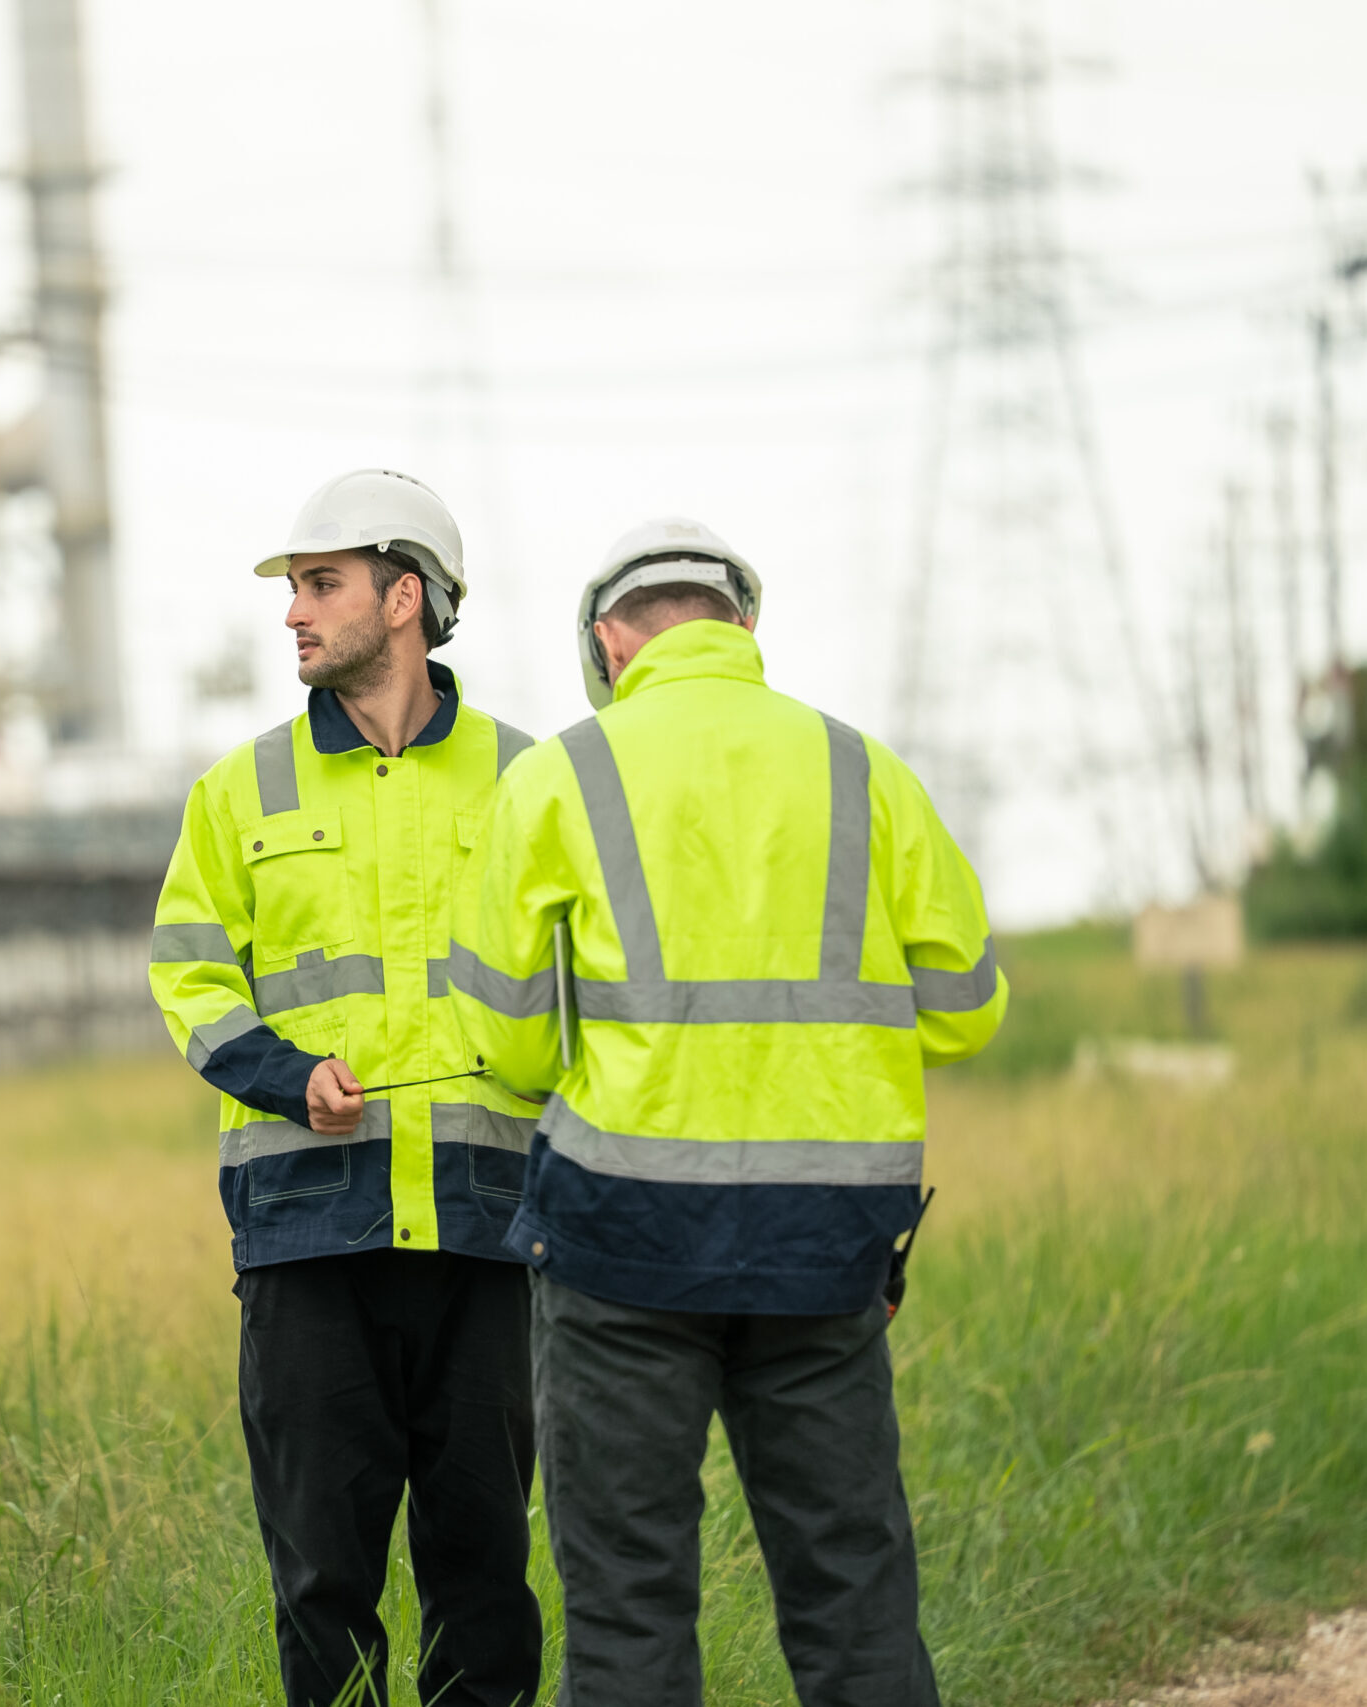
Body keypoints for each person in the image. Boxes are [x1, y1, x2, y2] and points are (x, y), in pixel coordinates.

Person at [450, 517, 1007, 1707]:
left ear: (608, 642)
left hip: (619, 1244)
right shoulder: (863, 771)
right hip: (826, 1245)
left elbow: (499, 1046)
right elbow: (964, 1012)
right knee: (852, 1594)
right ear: (742, 628)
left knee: (628, 1604)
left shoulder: (556, 775)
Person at [148, 469, 544, 1707]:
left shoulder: (532, 782)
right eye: (294, 589)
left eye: (320, 585)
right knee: (322, 1574)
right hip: (309, 1233)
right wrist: (280, 1078)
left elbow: (585, 988)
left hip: (488, 1230)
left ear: (405, 597)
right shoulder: (237, 792)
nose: (293, 616)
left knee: (482, 1571)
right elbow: (190, 976)